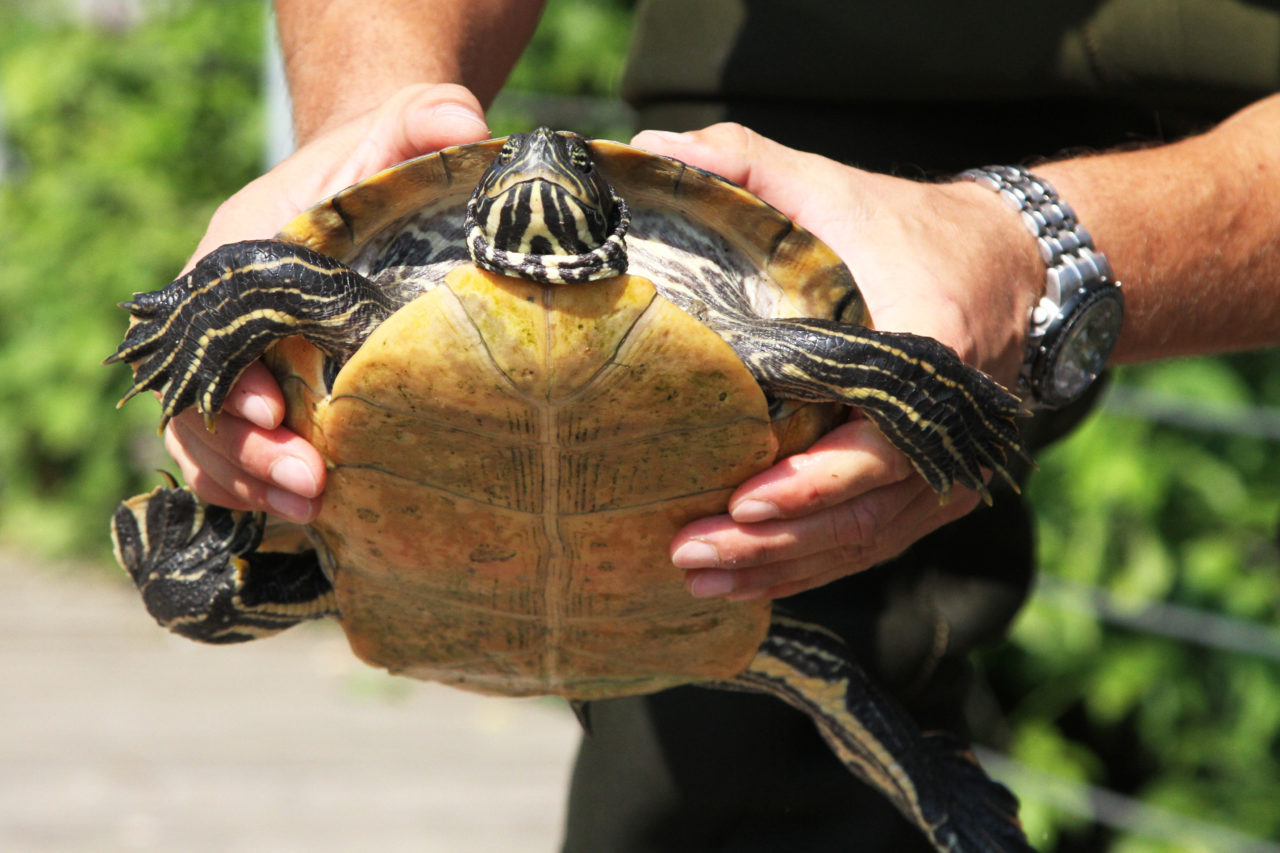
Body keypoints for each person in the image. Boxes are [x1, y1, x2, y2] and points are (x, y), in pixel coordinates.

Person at [158, 2, 1280, 849]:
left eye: (569, 180)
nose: (541, 170)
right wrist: (362, 122)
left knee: (836, 534)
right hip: (811, 45)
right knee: (712, 775)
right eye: (522, 180)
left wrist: (1017, 262)